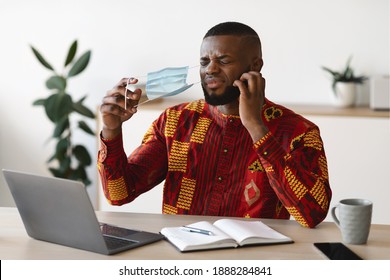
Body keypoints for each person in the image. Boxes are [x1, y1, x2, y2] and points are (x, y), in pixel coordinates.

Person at [98, 22, 332, 228]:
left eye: (223, 60)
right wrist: (111, 129)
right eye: (204, 61)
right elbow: (119, 194)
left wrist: (255, 127)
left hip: (256, 260)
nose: (210, 69)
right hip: (183, 258)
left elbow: (312, 214)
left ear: (255, 65)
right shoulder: (174, 122)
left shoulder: (297, 132)